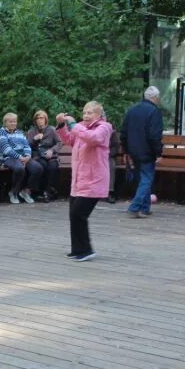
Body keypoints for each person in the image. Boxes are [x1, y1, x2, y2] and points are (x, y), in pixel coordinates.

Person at [56, 102, 113, 261]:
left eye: (90, 113)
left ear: (99, 115)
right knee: (74, 215)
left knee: (79, 214)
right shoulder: (80, 127)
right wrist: (62, 124)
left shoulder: (104, 127)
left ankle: (86, 250)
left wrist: (73, 124)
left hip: (94, 181)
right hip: (79, 181)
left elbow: (93, 139)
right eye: (84, 112)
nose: (86, 116)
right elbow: (69, 139)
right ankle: (77, 250)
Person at [120, 86, 164, 218]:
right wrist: (159, 153)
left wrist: (126, 151)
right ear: (155, 98)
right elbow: (154, 136)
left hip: (133, 151)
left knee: (143, 178)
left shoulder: (132, 110)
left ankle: (145, 208)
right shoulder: (154, 111)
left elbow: (124, 133)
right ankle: (135, 207)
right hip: (147, 151)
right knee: (146, 179)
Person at [0, 112, 43, 204]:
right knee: (19, 168)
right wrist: (20, 157)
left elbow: (26, 146)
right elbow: (5, 148)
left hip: (24, 157)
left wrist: (28, 156)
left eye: (15, 121)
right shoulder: (2, 132)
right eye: (11, 122)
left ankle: (26, 191)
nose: (13, 123)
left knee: (38, 168)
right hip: (9, 157)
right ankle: (13, 192)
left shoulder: (20, 132)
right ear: (5, 123)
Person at [26, 109, 62, 201]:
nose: (39, 120)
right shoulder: (32, 131)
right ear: (35, 120)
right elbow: (27, 147)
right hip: (38, 156)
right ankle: (43, 192)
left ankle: (47, 191)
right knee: (43, 166)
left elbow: (59, 142)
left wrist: (52, 150)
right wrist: (34, 139)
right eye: (37, 118)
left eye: (41, 118)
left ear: (45, 119)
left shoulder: (52, 130)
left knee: (53, 167)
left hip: (51, 156)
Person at [105, 112, 121, 204]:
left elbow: (116, 146)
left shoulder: (111, 130)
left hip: (107, 156)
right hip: (94, 156)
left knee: (111, 166)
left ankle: (109, 192)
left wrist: (109, 154)